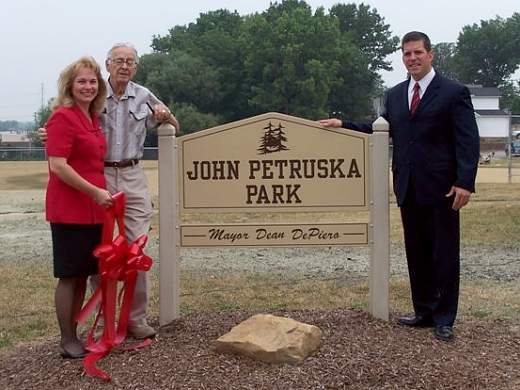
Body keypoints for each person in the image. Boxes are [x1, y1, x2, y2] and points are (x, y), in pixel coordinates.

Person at [319, 31, 480, 342]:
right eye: (407, 54)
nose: (412, 58)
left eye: (418, 52)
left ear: (431, 55)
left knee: (444, 254)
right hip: (407, 186)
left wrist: (465, 182)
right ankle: (424, 311)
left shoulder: (453, 92)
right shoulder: (394, 94)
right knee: (416, 252)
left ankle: (444, 318)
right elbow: (380, 128)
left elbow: (467, 139)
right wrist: (344, 125)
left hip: (443, 188)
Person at [41, 43, 179, 339]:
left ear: (136, 67)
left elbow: (174, 124)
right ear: (108, 64)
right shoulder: (94, 92)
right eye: (119, 61)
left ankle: (135, 318)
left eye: (130, 61)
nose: (124, 66)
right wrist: (46, 132)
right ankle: (104, 320)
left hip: (132, 174)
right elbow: (65, 120)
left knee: (135, 249)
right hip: (98, 176)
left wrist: (165, 116)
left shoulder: (144, 95)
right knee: (100, 251)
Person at [45, 56, 113, 358]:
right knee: (70, 275)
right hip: (69, 210)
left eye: (92, 81)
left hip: (95, 211)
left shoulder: (94, 119)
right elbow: (58, 166)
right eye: (81, 81)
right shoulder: (62, 117)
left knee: (87, 273)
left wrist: (104, 195)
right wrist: (94, 192)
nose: (88, 86)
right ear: (70, 87)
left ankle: (82, 333)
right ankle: (67, 338)